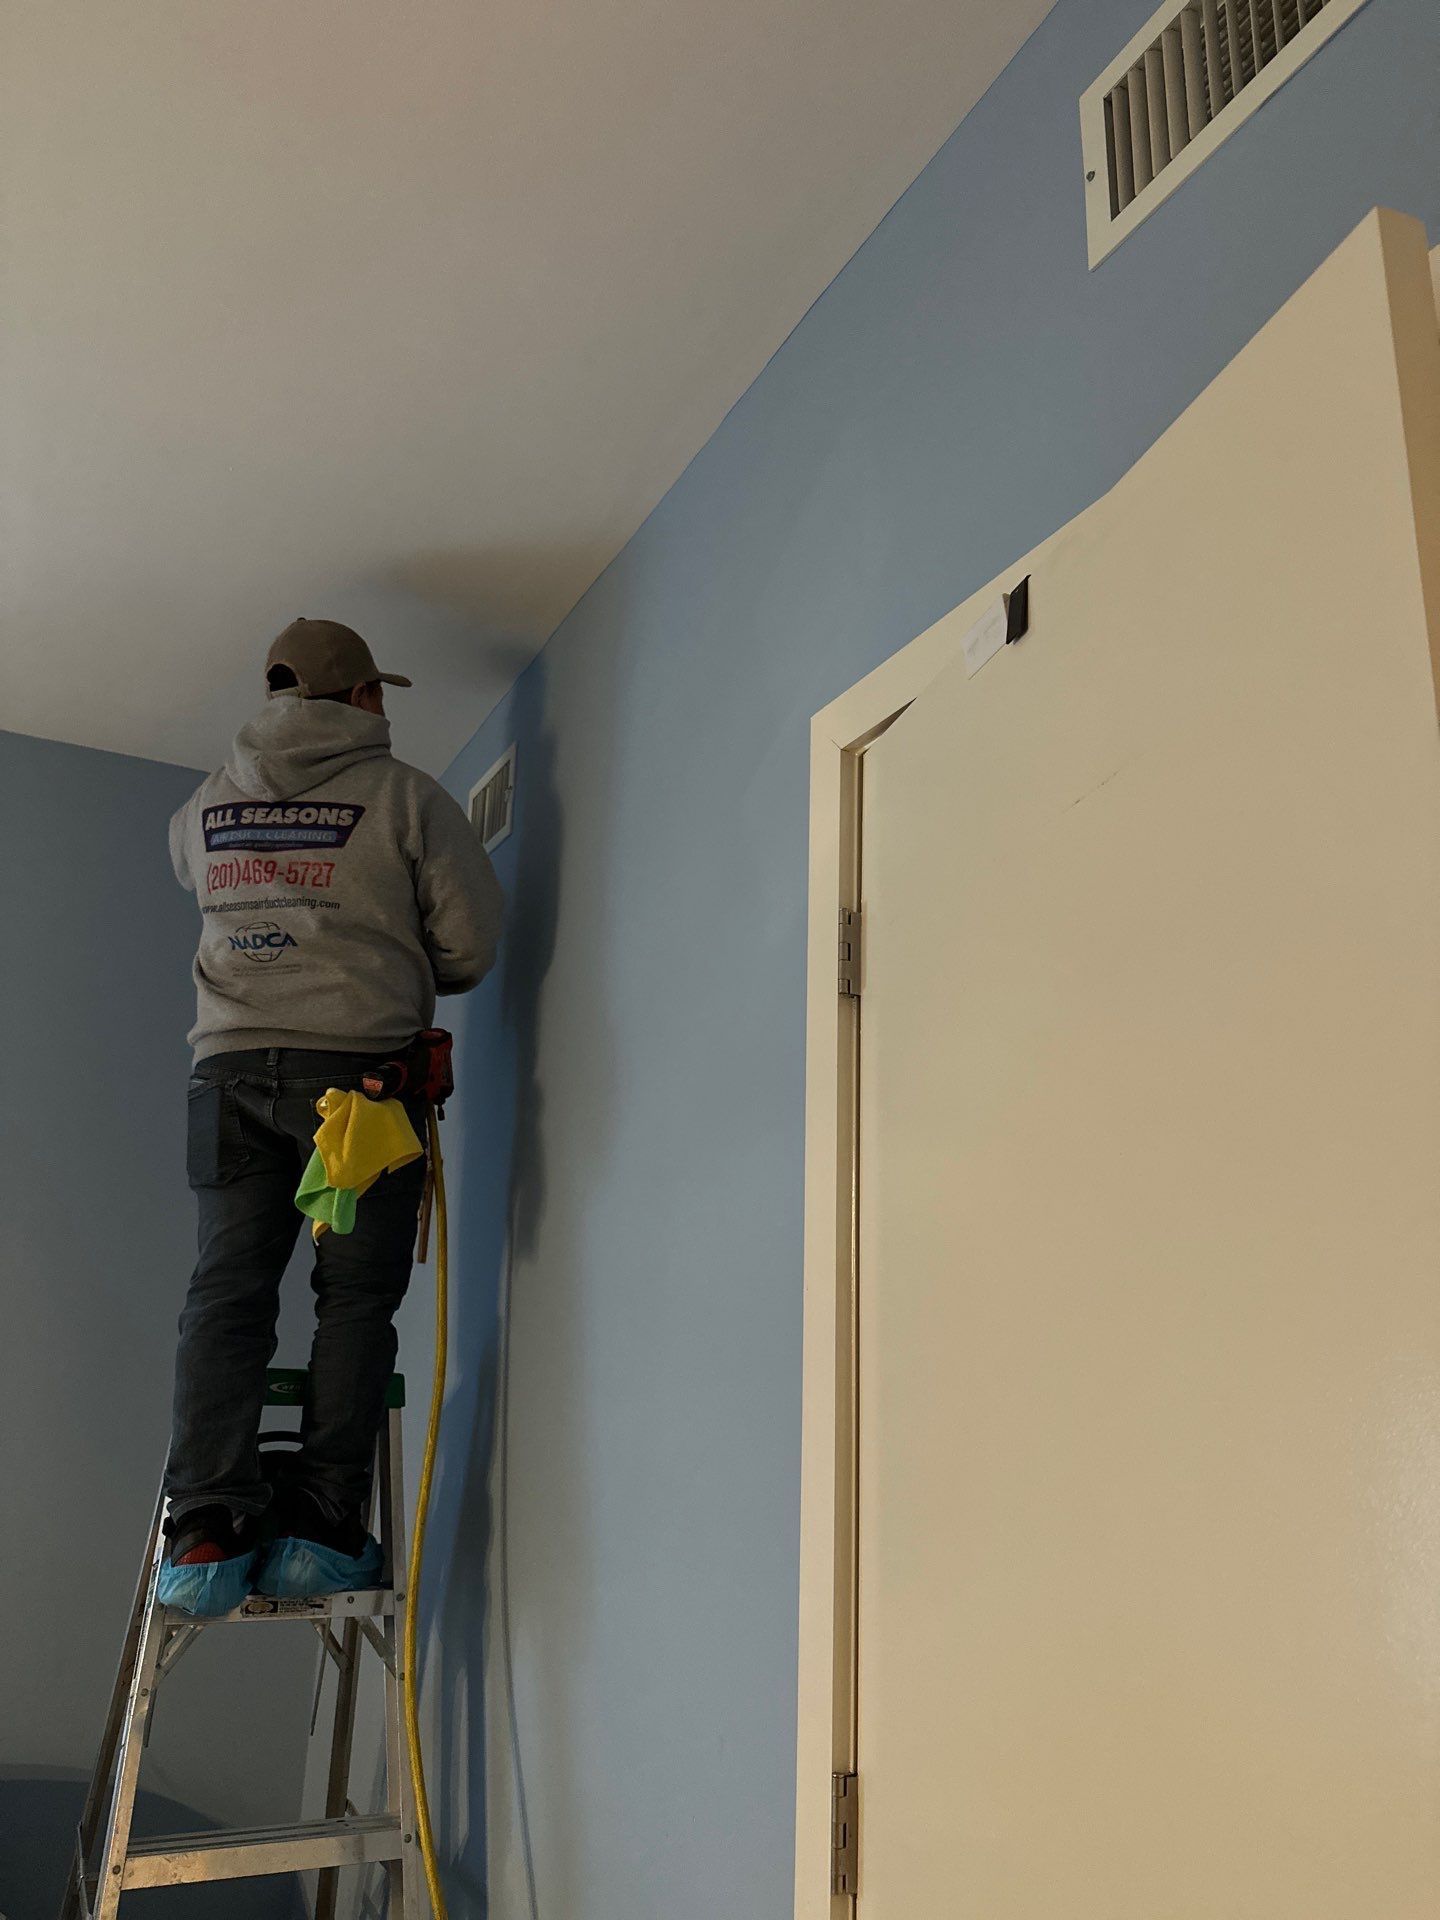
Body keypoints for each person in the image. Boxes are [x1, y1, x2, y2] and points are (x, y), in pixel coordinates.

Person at [158, 618, 503, 1614]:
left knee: (225, 1297)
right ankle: (317, 1526)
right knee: (351, 1301)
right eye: (378, 693)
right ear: (358, 698)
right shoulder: (407, 799)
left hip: (225, 1077)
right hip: (358, 1090)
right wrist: (376, 958)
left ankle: (206, 1532)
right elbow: (472, 946)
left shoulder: (204, 807)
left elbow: (189, 869)